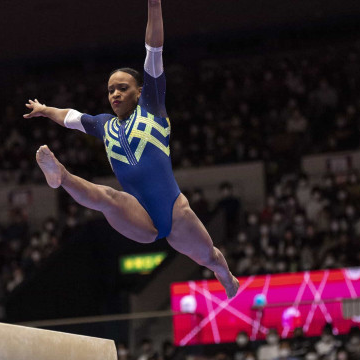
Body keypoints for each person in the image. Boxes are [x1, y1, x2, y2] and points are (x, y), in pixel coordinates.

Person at [23, 0, 239, 298]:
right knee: (108, 198)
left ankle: (227, 277)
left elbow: (154, 49)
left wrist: (153, 6)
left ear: (140, 92)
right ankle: (60, 175)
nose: (115, 94)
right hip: (138, 215)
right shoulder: (104, 125)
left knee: (210, 258)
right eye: (110, 89)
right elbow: (71, 117)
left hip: (174, 211)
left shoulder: (152, 106)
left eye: (122, 88)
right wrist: (46, 110)